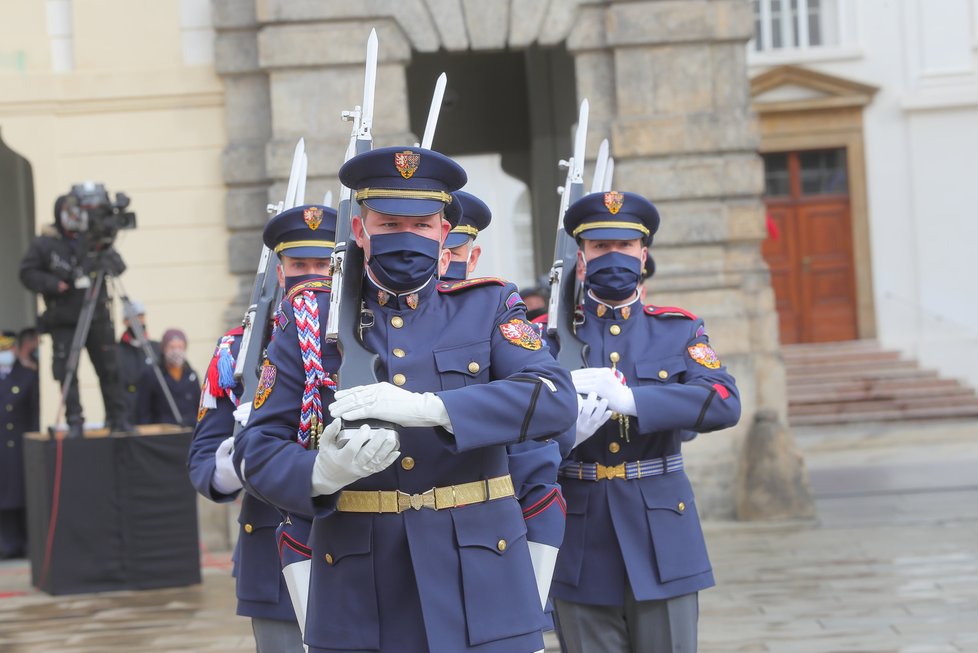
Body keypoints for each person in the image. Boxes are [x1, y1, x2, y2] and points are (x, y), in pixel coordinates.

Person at [235, 145, 577, 653]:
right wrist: (318, 475)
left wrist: (433, 409)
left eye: (422, 225)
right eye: (390, 222)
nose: (407, 237)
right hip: (360, 590)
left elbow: (553, 398)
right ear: (359, 229)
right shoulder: (307, 318)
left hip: (481, 579)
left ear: (444, 233)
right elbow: (257, 448)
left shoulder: (487, 306)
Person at [546, 191, 741, 653]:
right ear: (581, 257)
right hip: (580, 533)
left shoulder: (679, 329)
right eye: (600, 247)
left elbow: (723, 401)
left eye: (625, 246)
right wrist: (562, 438)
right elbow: (516, 423)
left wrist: (634, 400)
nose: (613, 256)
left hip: (662, 535)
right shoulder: (547, 337)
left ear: (643, 253)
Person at [188, 203, 337, 653]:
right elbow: (204, 469)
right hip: (272, 549)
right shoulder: (238, 348)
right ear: (279, 268)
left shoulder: (366, 336)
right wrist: (243, 448)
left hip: (359, 541)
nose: (310, 274)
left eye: (322, 264)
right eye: (298, 264)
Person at [441, 190, 572, 630]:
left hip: (490, 523)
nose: (441, 258)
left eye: (453, 249)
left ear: (472, 256)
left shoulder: (497, 312)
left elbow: (546, 428)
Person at [19, 191, 129, 436]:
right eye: (69, 213)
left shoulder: (93, 239)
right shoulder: (44, 244)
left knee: (109, 368)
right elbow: (27, 273)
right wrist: (52, 284)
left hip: (97, 316)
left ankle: (117, 418)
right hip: (64, 318)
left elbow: (118, 267)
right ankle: (74, 420)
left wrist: (103, 248)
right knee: (67, 371)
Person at [0, 330, 40, 558]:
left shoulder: (27, 376)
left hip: (19, 446)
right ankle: (6, 544)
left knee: (23, 495)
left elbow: (34, 414)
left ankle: (26, 543)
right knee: (4, 498)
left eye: (7, 349)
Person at [136, 328, 200, 427]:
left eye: (180, 347)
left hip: (189, 432)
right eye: (171, 347)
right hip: (163, 435)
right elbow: (143, 411)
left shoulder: (191, 375)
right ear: (163, 348)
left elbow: (199, 407)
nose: (176, 351)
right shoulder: (153, 374)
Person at [117, 300, 161, 424]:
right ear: (125, 321)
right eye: (134, 317)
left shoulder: (156, 348)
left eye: (141, 316)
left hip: (152, 414)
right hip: (127, 413)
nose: (139, 321)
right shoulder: (116, 351)